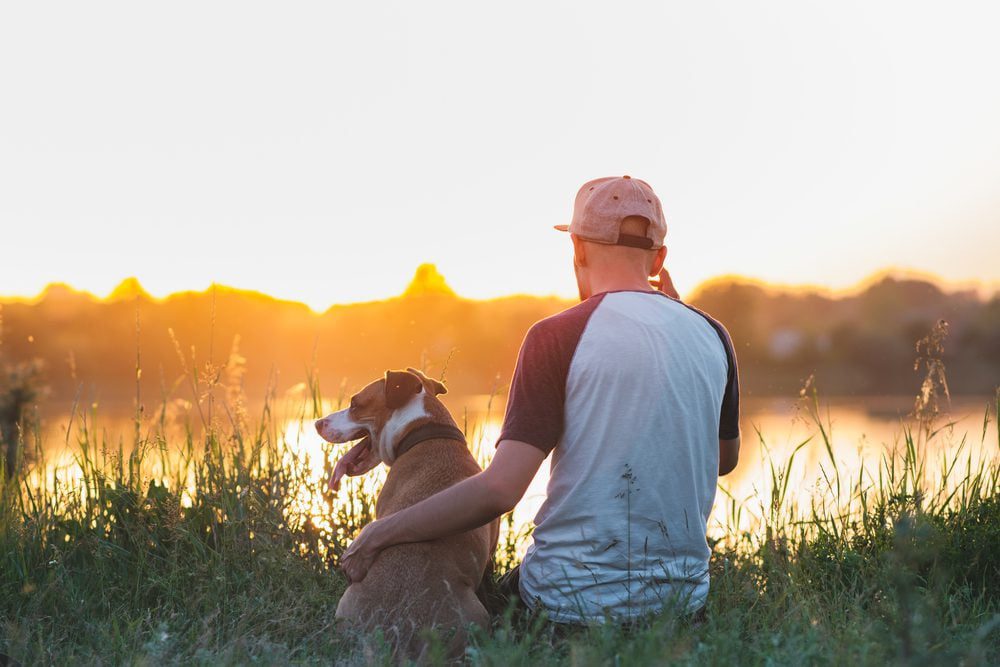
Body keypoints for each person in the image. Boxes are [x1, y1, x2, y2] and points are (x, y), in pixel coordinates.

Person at [340, 175, 740, 625]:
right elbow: (723, 460)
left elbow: (499, 490)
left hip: (567, 609)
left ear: (579, 250)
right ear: (659, 258)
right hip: (682, 610)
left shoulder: (556, 336)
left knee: (476, 596)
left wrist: (379, 532)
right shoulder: (714, 335)